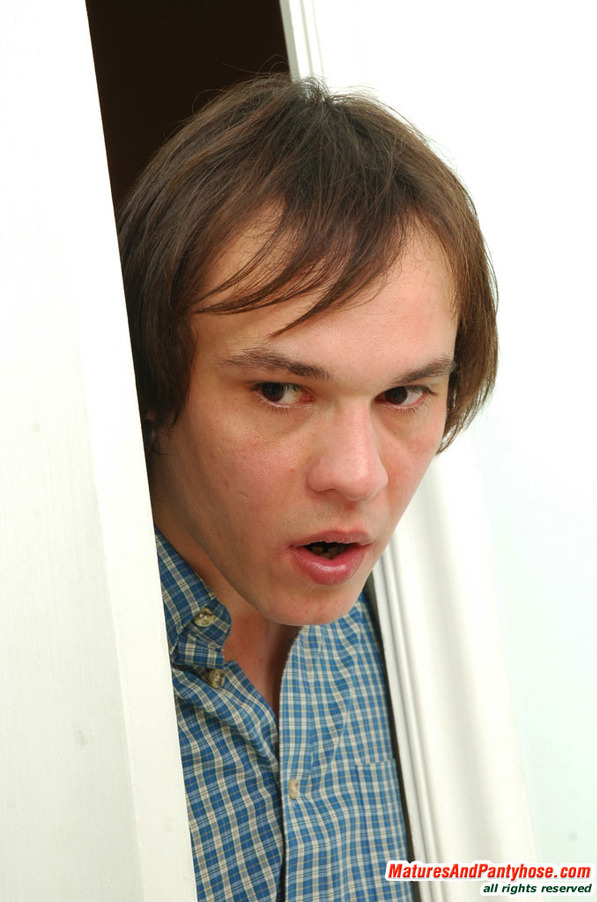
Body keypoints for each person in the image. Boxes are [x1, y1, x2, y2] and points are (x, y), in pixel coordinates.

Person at [118, 75, 497, 901]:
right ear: (153, 383)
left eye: (403, 394)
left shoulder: (438, 655)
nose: (358, 475)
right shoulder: (54, 682)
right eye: (280, 391)